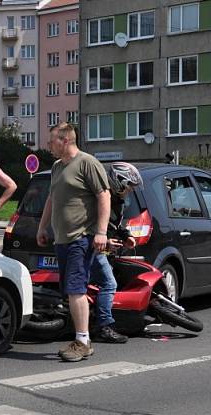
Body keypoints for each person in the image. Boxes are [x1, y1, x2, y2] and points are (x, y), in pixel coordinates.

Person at [37, 123, 110, 362]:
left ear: (65, 140)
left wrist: (101, 232)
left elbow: (104, 195)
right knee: (70, 290)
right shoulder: (58, 167)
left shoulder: (87, 163)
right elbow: (51, 198)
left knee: (76, 288)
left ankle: (83, 341)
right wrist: (42, 226)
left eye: (52, 141)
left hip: (82, 236)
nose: (48, 146)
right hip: (62, 238)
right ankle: (81, 335)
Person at [90, 162, 144, 344]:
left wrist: (125, 235)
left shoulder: (117, 199)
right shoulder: (102, 198)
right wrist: (105, 242)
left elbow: (111, 225)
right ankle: (104, 326)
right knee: (109, 283)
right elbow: (92, 226)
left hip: (99, 248)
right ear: (119, 182)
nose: (130, 191)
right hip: (92, 248)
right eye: (129, 186)